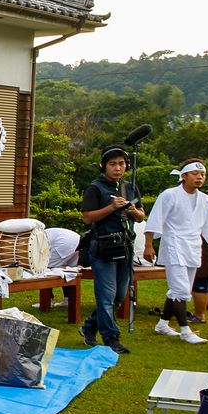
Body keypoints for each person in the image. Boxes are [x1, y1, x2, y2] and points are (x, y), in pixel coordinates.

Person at [143, 159, 208, 344]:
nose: (199, 177)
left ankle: (162, 324)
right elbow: (155, 219)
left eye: (202, 175)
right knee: (180, 289)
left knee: (178, 290)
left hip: (193, 247)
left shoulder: (205, 200)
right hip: (173, 245)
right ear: (183, 176)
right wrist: (148, 244)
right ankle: (185, 330)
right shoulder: (169, 195)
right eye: (195, 174)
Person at [80, 146, 146, 354]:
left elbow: (142, 215)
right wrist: (111, 208)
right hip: (103, 247)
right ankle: (111, 338)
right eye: (113, 164)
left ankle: (89, 326)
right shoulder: (95, 188)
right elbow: (87, 217)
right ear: (104, 166)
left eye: (121, 164)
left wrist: (134, 211)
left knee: (118, 296)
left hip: (125, 245)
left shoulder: (130, 187)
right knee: (106, 295)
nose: (117, 168)